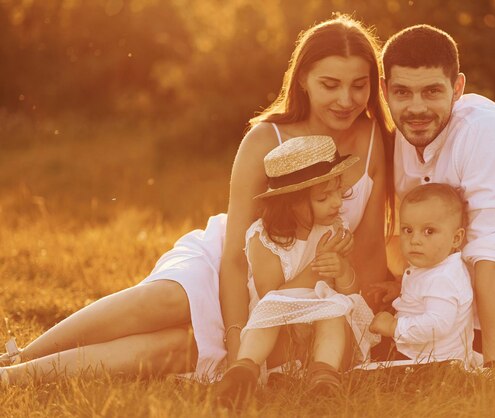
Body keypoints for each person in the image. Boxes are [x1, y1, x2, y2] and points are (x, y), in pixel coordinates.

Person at [0, 15, 391, 386]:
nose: (346, 99)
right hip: (232, 261)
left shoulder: (376, 141)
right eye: (330, 84)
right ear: (303, 78)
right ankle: (20, 357)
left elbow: (371, 251)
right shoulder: (265, 139)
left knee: (180, 346)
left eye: (360, 85)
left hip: (299, 284)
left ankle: (15, 379)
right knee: (166, 300)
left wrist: (341, 311)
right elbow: (237, 255)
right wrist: (238, 337)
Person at [379, 24, 495, 369]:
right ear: (385, 90)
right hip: (425, 308)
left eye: (431, 92)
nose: (416, 107)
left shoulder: (484, 134)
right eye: (402, 93)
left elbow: (493, 255)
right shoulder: (400, 138)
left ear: (457, 88)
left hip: (483, 323)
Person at [214, 136, 377, 407]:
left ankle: (323, 380)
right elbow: (273, 300)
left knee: (332, 308)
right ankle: (243, 371)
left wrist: (343, 269)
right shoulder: (264, 240)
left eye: (338, 190)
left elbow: (350, 292)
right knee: (273, 310)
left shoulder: (335, 227)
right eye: (323, 197)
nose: (337, 202)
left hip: (329, 341)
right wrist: (318, 265)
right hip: (282, 338)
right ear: (290, 203)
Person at [369, 183, 473, 366]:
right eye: (408, 230)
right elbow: (425, 292)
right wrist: (399, 289)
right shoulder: (434, 268)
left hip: (434, 363)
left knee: (366, 372)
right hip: (419, 354)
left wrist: (394, 327)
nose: (415, 240)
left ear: (456, 238)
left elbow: (437, 324)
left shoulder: (443, 279)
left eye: (429, 231)